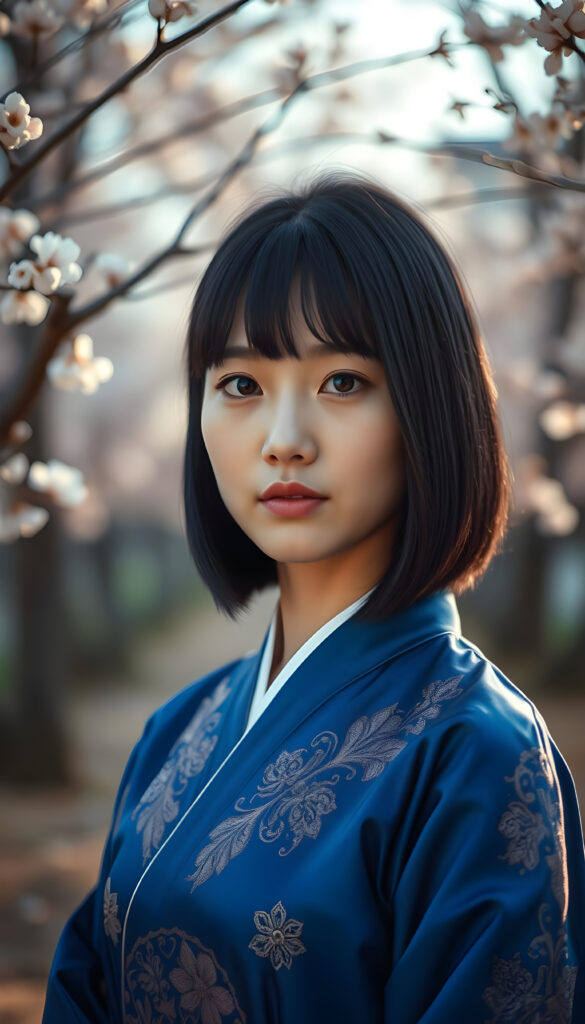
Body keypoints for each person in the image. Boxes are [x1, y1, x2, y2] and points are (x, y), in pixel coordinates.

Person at [43, 171, 585, 1024]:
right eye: (241, 386)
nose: (284, 441)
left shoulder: (478, 755)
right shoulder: (178, 731)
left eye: (341, 383)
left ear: (427, 408)